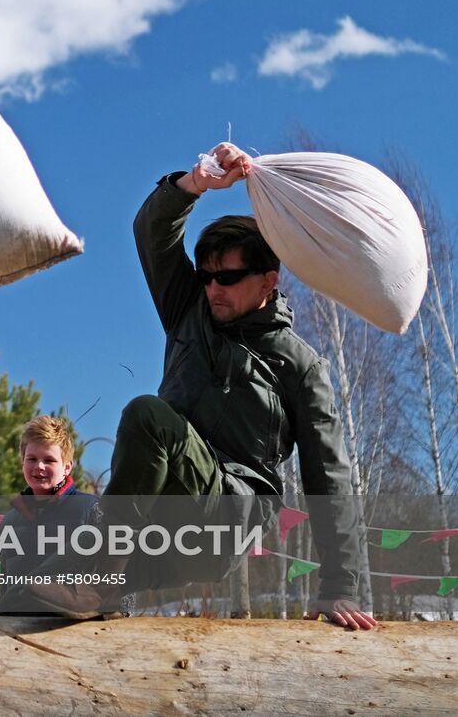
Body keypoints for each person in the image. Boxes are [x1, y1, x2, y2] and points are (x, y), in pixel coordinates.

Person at [64, 142, 374, 630]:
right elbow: (151, 233)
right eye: (206, 277)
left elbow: (327, 478)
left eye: (227, 278)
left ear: (268, 280)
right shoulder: (189, 311)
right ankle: (104, 590)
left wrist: (341, 587)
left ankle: (103, 577)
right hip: (162, 527)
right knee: (35, 579)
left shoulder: (301, 365)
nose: (212, 289)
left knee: (149, 415)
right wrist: (195, 184)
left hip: (225, 518)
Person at [0, 415, 107, 616]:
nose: (39, 466)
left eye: (49, 460)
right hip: (15, 634)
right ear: (23, 462)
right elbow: (4, 584)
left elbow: (119, 576)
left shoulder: (92, 509)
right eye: (32, 459)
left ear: (67, 467)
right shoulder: (9, 522)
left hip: (73, 635)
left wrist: (121, 621)